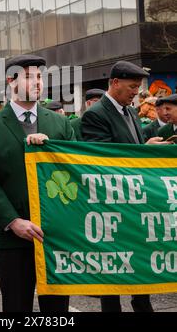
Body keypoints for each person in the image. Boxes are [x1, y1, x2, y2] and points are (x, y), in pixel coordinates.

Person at [0, 54, 75, 312]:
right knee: (16, 307)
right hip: (14, 238)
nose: (37, 83)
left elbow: (75, 170)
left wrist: (51, 149)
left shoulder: (60, 123)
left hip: (55, 235)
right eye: (29, 77)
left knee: (56, 310)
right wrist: (12, 221)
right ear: (11, 81)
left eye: (40, 77)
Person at [81, 61, 170, 313]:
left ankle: (142, 304)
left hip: (134, 202)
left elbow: (132, 152)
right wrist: (144, 151)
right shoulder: (95, 115)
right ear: (115, 83)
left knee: (138, 256)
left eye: (138, 87)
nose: (136, 93)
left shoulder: (130, 112)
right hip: (110, 203)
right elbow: (104, 160)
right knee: (113, 265)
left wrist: (145, 148)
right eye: (132, 87)